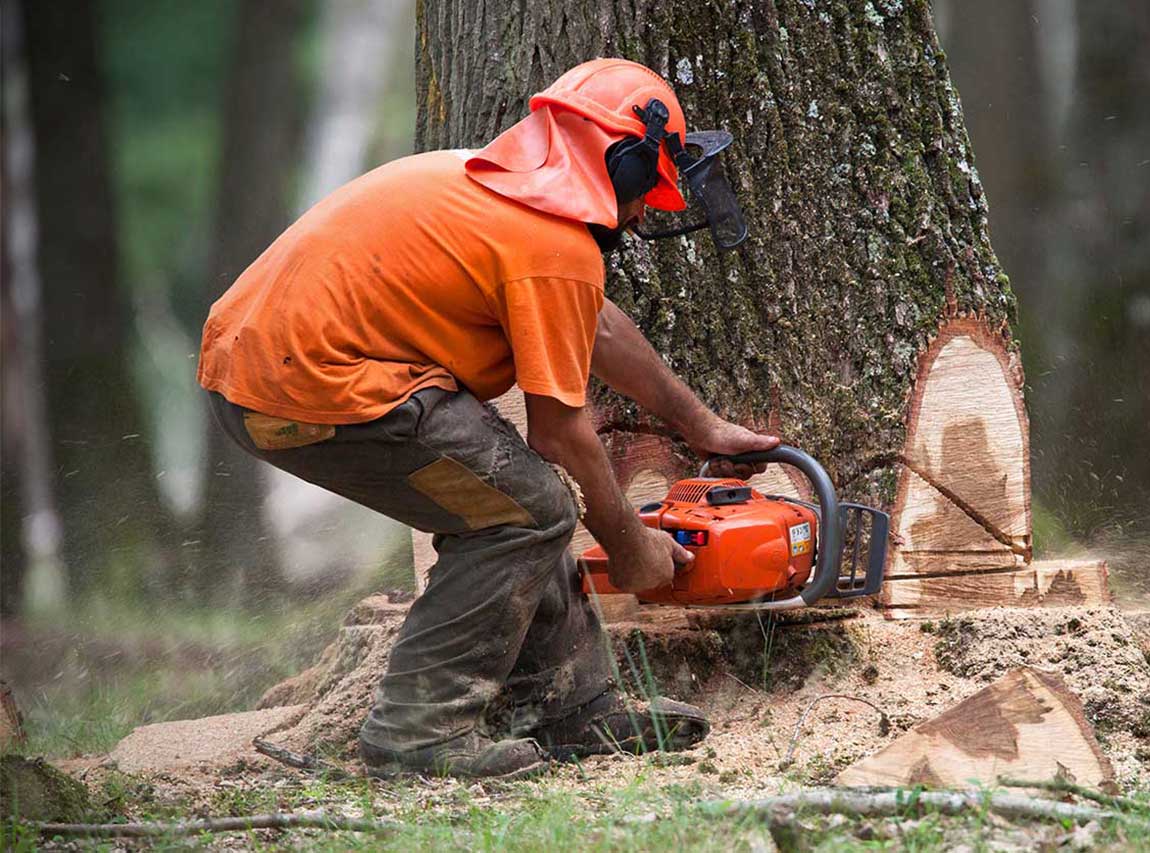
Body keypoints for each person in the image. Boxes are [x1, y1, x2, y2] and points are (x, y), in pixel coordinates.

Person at [197, 58, 778, 780]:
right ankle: (415, 733)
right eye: (645, 194)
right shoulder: (551, 242)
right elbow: (561, 433)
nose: (642, 212)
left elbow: (594, 325)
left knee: (516, 497)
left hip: (261, 371)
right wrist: (632, 549)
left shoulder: (502, 195)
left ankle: (571, 703)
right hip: (308, 386)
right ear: (623, 166)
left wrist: (702, 425)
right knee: (528, 507)